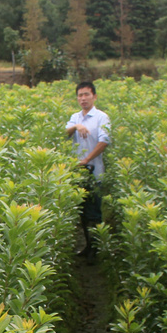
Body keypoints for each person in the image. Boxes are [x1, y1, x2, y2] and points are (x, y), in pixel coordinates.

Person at [65, 80, 110, 262]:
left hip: (94, 171)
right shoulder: (75, 117)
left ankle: (96, 251)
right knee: (82, 212)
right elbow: (64, 133)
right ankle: (88, 246)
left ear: (94, 96)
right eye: (80, 95)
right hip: (78, 173)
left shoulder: (101, 117)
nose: (83, 98)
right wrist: (76, 126)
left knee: (94, 213)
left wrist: (87, 159)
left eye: (86, 95)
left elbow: (104, 141)